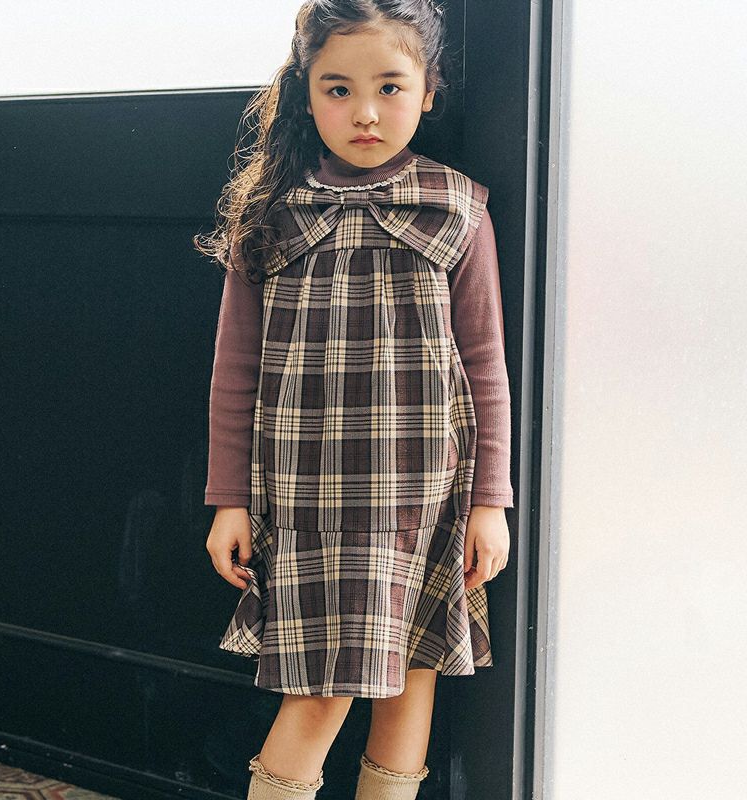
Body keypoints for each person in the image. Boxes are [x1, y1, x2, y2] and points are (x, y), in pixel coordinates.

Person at [194, 2, 514, 798]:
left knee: (413, 674)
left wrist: (489, 502)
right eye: (338, 89)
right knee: (320, 689)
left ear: (428, 91)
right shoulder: (271, 216)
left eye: (389, 87)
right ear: (305, 94)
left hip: (425, 492)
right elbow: (234, 370)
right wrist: (228, 500)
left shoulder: (457, 209)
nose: (365, 112)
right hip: (311, 497)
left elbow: (484, 364)